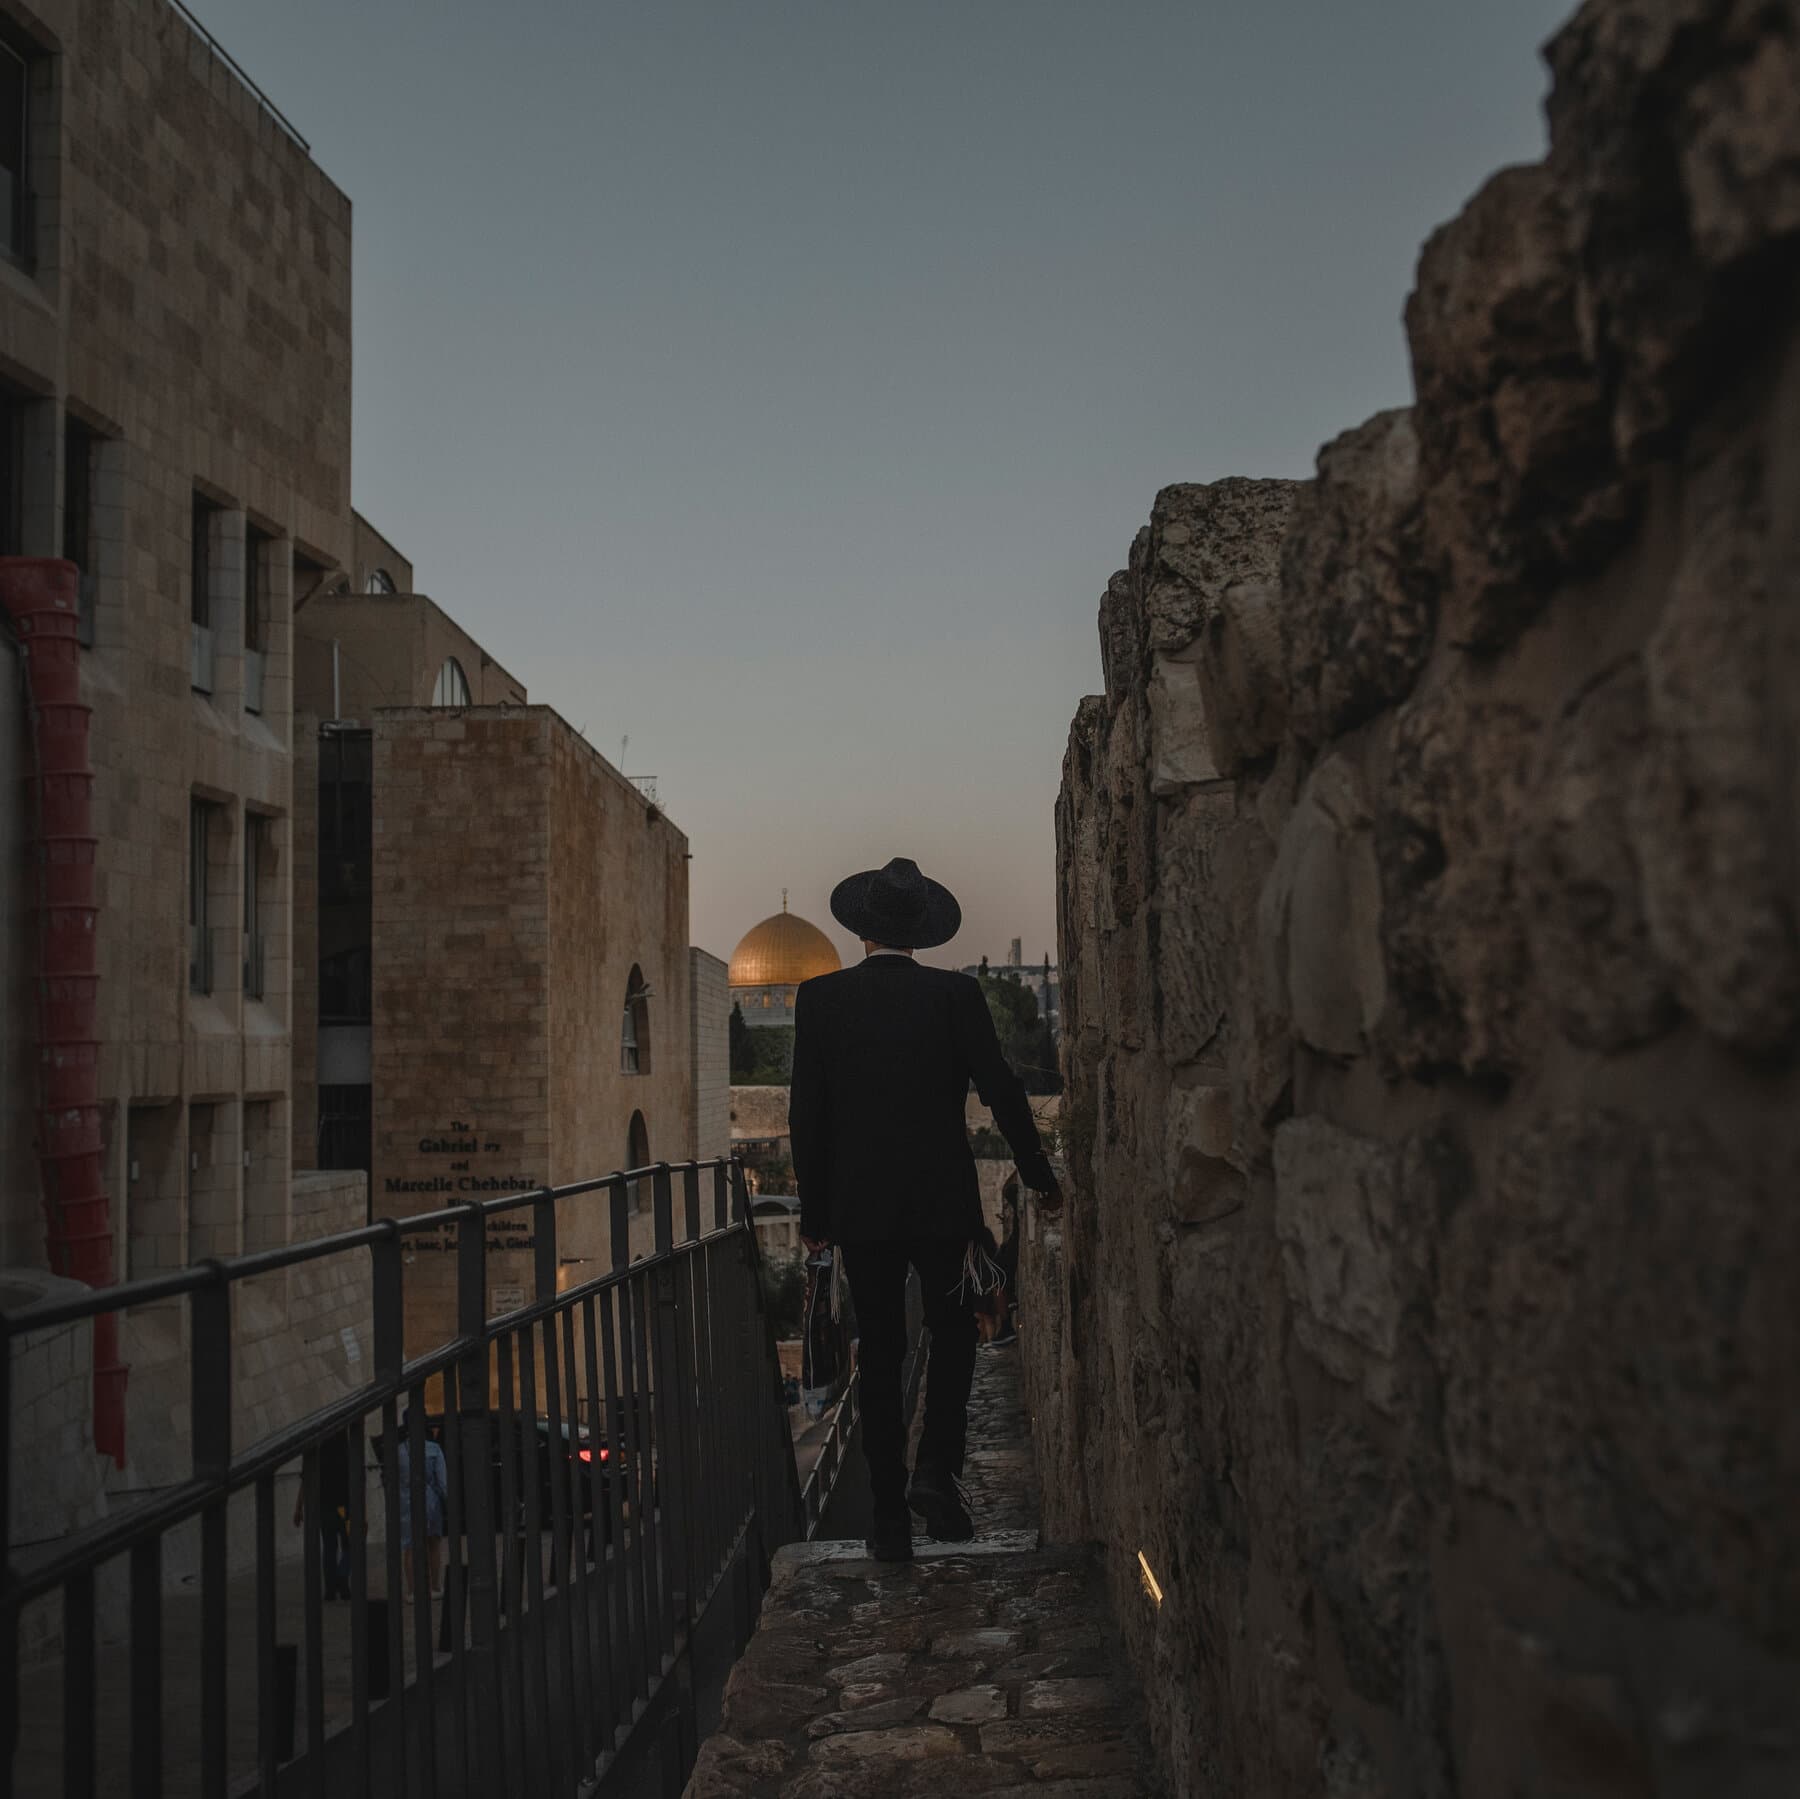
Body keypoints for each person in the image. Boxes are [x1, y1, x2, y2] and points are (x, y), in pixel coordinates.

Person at [788, 856, 1062, 1562]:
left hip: (862, 1210)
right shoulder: (954, 997)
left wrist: (814, 1213)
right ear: (919, 931)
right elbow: (1001, 1088)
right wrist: (1038, 1176)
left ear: (863, 930)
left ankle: (887, 1519)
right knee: (954, 1330)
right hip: (942, 1203)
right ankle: (937, 1469)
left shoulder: (819, 1001)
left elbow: (806, 1117)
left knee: (880, 1354)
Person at [291, 1428, 355, 1601]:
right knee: (351, 1544)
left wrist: (298, 1509)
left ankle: (330, 1589)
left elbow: (305, 1482)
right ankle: (342, 1578)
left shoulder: (316, 1455)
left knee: (329, 1547)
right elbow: (356, 1482)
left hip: (324, 1508)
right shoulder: (347, 1454)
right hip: (345, 1509)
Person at [396, 1412, 449, 1600]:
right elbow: (443, 1483)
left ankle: (411, 1591)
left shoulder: (399, 1450)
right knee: (433, 1544)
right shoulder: (434, 1449)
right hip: (430, 1503)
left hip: (406, 1503)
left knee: (409, 1547)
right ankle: (435, 1587)